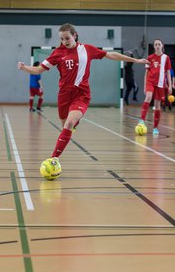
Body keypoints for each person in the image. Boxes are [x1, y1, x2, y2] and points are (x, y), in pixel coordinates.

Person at [18, 23, 149, 165]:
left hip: (81, 94)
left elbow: (111, 55)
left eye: (67, 38)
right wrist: (25, 68)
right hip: (63, 95)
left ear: (74, 36)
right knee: (65, 126)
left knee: (68, 124)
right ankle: (72, 125)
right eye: (62, 39)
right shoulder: (57, 53)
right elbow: (38, 70)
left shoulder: (87, 49)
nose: (64, 42)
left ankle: (53, 159)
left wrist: (135, 60)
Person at [137, 38, 172, 135]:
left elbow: (168, 73)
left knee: (157, 105)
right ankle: (142, 120)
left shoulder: (166, 58)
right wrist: (145, 86)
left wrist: (169, 85)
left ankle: (155, 127)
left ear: (162, 46)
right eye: (155, 44)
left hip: (160, 84)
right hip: (150, 82)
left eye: (159, 44)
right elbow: (146, 73)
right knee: (148, 97)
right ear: (154, 46)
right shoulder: (150, 58)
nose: (157, 46)